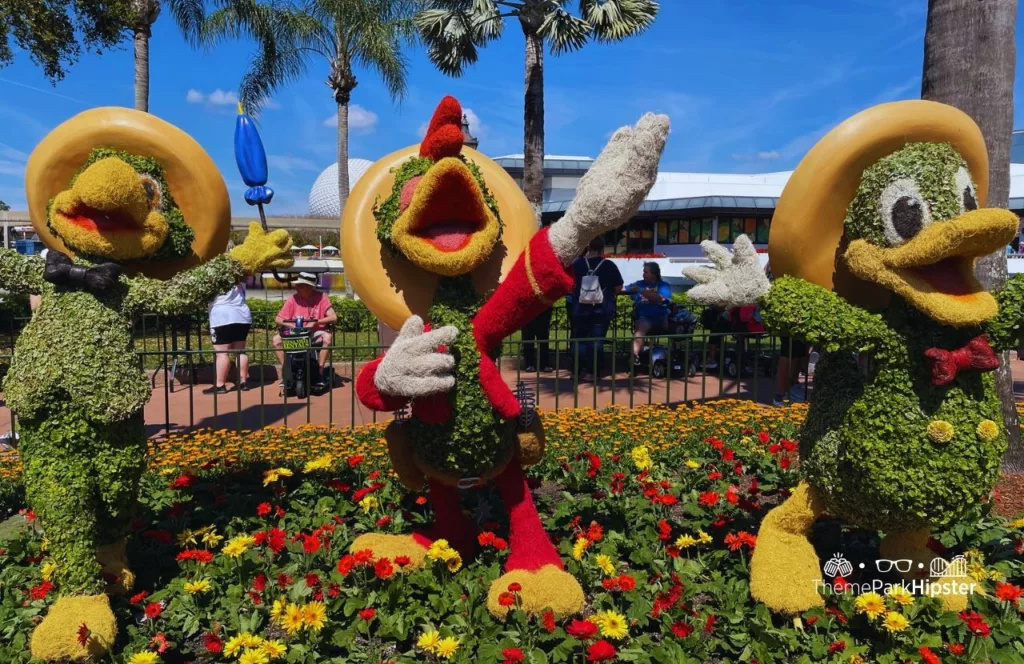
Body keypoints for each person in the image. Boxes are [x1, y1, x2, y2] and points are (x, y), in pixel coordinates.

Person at [571, 237, 623, 379]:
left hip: (580, 308)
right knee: (596, 341)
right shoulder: (608, 265)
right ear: (602, 249)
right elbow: (618, 286)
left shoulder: (577, 264)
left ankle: (576, 372)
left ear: (589, 247)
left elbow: (570, 284)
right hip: (602, 309)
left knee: (579, 341)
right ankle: (591, 373)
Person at [272, 272, 338, 378]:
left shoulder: (322, 297)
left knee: (327, 337)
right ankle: (287, 370)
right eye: (297, 285)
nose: (296, 287)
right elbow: (278, 319)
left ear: (309, 287)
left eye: (300, 285)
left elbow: (333, 317)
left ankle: (319, 370)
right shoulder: (292, 299)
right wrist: (292, 326)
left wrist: (316, 322)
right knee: (276, 340)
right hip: (295, 333)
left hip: (313, 333)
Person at [764, 262, 811, 405]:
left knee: (798, 353)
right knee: (788, 354)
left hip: (799, 314)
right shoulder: (777, 268)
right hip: (787, 316)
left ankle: (792, 386)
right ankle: (780, 394)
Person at [205, 282, 252, 394]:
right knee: (240, 351)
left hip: (222, 316)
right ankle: (242, 382)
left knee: (222, 353)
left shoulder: (214, 276)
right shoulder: (241, 274)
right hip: (242, 315)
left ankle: (220, 385)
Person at [625, 262, 671, 363]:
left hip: (662, 316)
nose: (643, 274)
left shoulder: (663, 286)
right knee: (641, 328)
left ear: (654, 274)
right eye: (643, 272)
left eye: (646, 272)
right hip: (645, 317)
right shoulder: (639, 283)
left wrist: (641, 291)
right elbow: (624, 289)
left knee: (677, 325)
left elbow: (660, 299)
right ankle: (634, 357)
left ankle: (676, 355)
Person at [521, 305, 553, 373]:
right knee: (528, 339)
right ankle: (529, 364)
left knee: (543, 339)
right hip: (528, 310)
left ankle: (544, 364)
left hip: (543, 311)